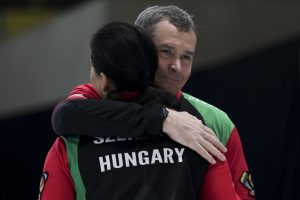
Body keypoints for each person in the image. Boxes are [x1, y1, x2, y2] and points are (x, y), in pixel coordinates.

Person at [51, 5, 255, 200]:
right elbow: (65, 114)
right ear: (142, 50)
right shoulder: (89, 106)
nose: (177, 66)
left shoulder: (214, 122)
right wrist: (164, 118)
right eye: (166, 51)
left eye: (186, 57)